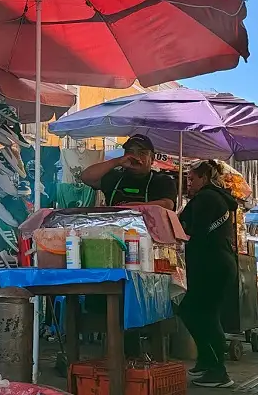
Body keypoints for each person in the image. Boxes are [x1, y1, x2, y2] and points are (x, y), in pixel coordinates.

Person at [178, 159, 238, 388]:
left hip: (211, 265)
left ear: (204, 178)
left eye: (192, 178)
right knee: (203, 313)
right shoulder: (215, 198)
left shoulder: (206, 198)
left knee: (198, 313)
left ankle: (217, 370)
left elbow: (196, 231)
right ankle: (207, 361)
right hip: (218, 264)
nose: (188, 183)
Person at [80, 134, 178, 210]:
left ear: (152, 159)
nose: (135, 156)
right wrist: (117, 161)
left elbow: (167, 205)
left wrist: (133, 207)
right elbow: (86, 177)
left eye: (142, 153)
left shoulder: (162, 181)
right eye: (130, 151)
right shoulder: (114, 177)